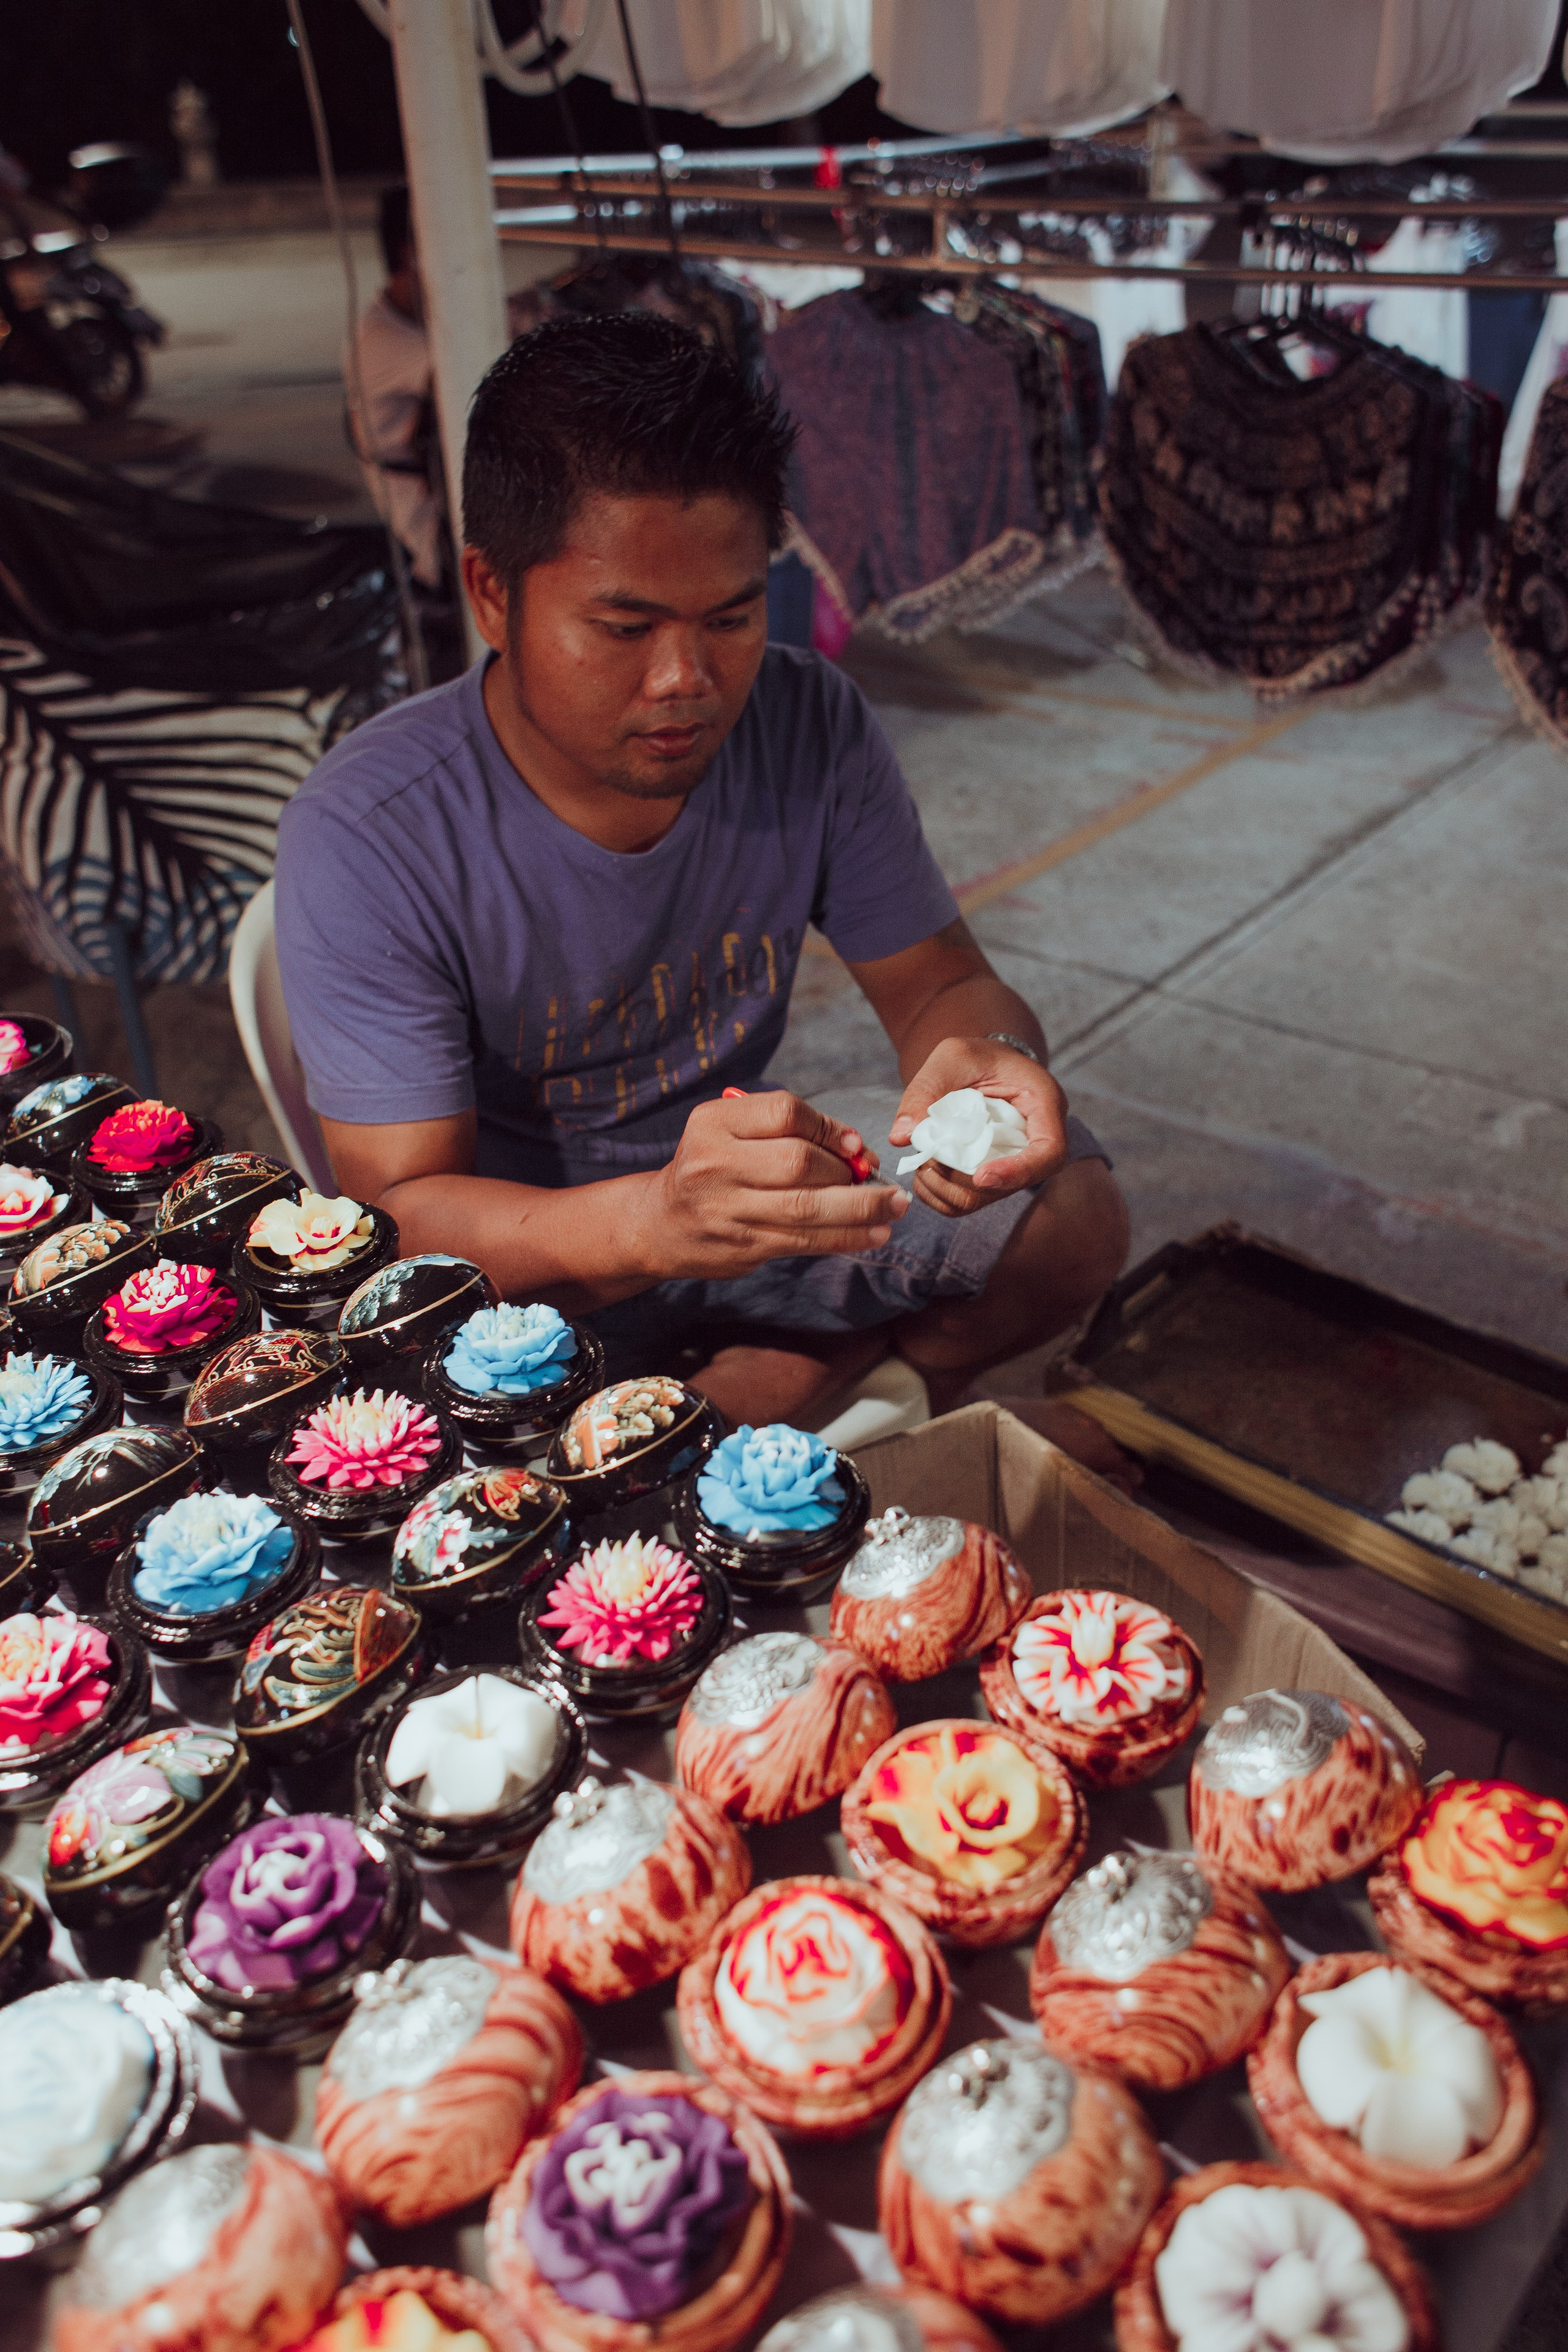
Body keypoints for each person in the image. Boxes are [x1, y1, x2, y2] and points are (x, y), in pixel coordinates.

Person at [274, 313, 1131, 1436]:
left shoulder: (808, 720)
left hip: (755, 1217)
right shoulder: (371, 830)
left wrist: (989, 1063)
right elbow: (401, 1216)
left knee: (1071, 1214)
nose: (687, 679)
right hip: (541, 1265)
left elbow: (939, 987)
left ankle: (774, 1390)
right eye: (624, 626)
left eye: (730, 617)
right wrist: (651, 1223)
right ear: (492, 594)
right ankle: (790, 1394)